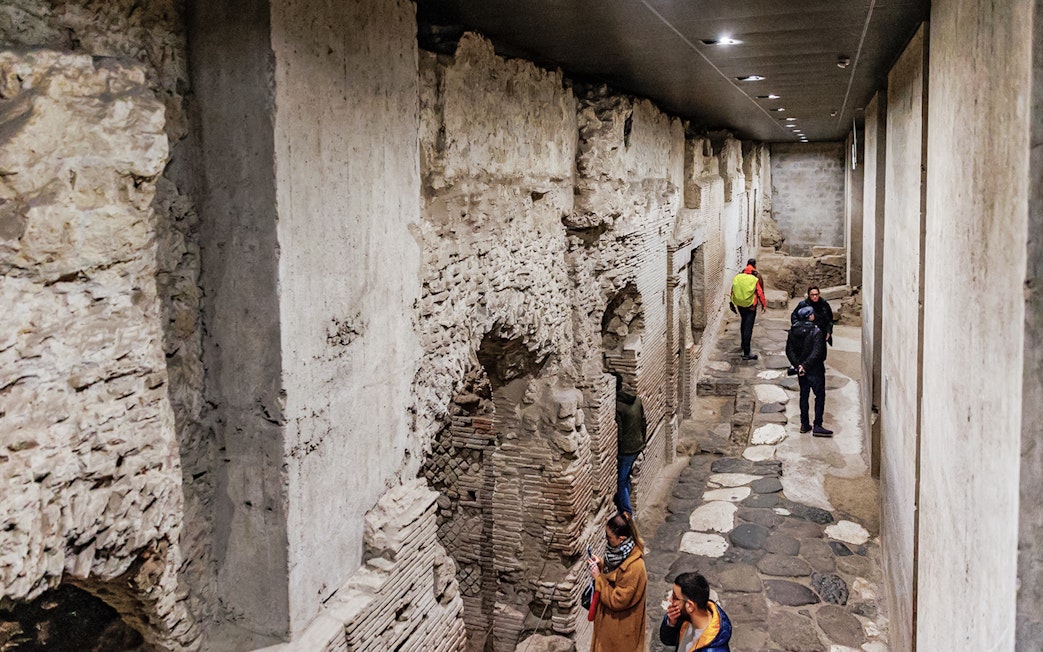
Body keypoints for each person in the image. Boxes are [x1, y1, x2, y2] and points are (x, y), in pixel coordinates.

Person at [587, 512, 647, 652]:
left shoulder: (635, 567)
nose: (607, 541)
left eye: (609, 538)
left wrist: (598, 578)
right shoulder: (619, 553)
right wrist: (601, 564)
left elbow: (617, 600)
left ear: (621, 538)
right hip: (609, 626)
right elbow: (615, 573)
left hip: (620, 631)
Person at [786, 305, 833, 436]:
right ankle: (817, 425)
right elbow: (818, 352)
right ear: (809, 316)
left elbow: (789, 351)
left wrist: (799, 365)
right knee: (819, 396)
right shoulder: (816, 331)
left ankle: (804, 424)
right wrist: (806, 366)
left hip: (802, 371)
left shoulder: (793, 331)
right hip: (815, 369)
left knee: (804, 396)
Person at [659, 572, 732, 651]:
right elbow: (668, 640)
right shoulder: (686, 617)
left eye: (675, 598)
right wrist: (671, 623)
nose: (670, 600)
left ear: (690, 606)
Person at [612, 372, 647, 515]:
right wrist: (643, 440)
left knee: (621, 481)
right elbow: (643, 421)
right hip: (638, 443)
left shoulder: (618, 407)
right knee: (626, 479)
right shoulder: (637, 399)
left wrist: (615, 450)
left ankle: (627, 513)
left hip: (626, 450)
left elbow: (619, 432)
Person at [729, 258, 766, 360]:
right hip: (751, 306)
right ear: (755, 265)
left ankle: (743, 344)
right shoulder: (756, 277)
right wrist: (763, 304)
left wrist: (731, 303)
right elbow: (760, 292)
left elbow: (733, 290)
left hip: (740, 305)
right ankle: (747, 352)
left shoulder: (739, 276)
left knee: (743, 323)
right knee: (748, 328)